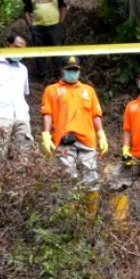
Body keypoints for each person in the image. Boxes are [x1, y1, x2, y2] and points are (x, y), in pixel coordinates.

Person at [40, 56, 109, 189]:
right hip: (63, 138)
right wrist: (46, 135)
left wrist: (101, 135)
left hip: (87, 139)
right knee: (68, 178)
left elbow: (96, 114)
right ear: (62, 70)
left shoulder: (88, 90)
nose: (73, 73)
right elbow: (47, 113)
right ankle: (70, 209)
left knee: (92, 178)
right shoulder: (52, 90)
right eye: (69, 69)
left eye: (75, 70)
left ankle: (91, 209)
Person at [23, 0, 67, 81]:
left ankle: (57, 75)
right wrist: (30, 25)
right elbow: (26, 11)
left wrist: (60, 23)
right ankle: (41, 76)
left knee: (56, 51)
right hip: (38, 28)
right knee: (39, 52)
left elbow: (63, 8)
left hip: (54, 27)